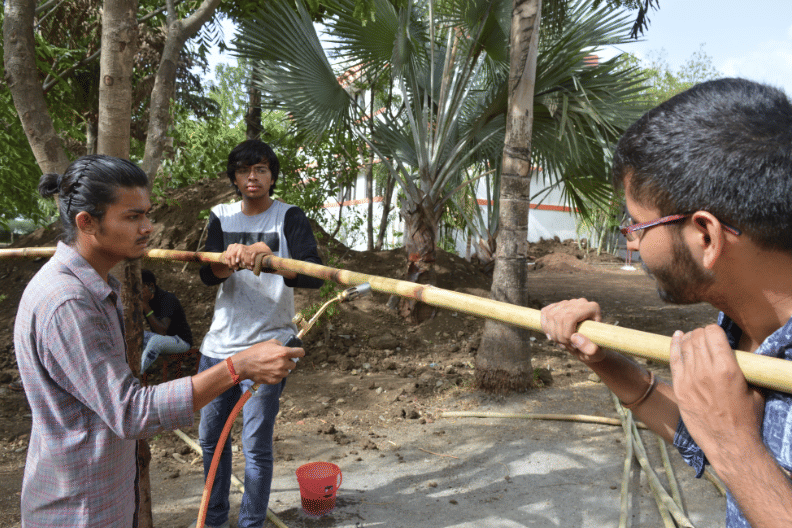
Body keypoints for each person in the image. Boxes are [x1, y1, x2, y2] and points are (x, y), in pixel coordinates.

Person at [540, 78, 792, 528]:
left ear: (705, 235)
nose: (633, 243)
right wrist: (602, 359)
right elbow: (705, 436)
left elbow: (729, 442)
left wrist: (734, 444)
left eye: (638, 224)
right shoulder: (745, 328)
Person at [14, 154, 304, 528]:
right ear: (87, 223)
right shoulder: (68, 301)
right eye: (133, 217)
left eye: (147, 214)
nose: (148, 227)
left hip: (100, 495)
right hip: (79, 509)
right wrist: (240, 366)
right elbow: (130, 412)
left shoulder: (96, 288)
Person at [195, 139, 324, 528]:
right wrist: (228, 261)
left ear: (272, 177)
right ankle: (213, 520)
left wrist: (271, 258)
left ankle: (251, 524)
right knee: (210, 440)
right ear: (234, 177)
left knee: (255, 445)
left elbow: (313, 275)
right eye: (245, 170)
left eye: (262, 170)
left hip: (270, 345)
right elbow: (206, 274)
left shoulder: (289, 217)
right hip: (219, 347)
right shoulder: (220, 215)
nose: (253, 177)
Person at [139, 268, 194, 374]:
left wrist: (145, 306)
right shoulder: (143, 299)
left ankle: (136, 375)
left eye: (140, 288)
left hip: (180, 340)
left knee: (156, 341)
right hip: (160, 338)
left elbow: (162, 331)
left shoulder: (167, 299)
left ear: (151, 287)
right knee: (132, 336)